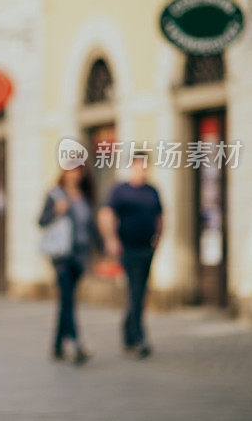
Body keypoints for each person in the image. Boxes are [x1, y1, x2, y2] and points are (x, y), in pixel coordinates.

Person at [98, 151, 163, 359]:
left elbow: (160, 217)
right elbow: (106, 214)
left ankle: (128, 332)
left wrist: (158, 241)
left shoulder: (152, 191)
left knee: (140, 290)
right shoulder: (121, 190)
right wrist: (111, 240)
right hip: (128, 247)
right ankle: (138, 338)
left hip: (147, 247)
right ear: (132, 166)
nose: (142, 169)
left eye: (145, 165)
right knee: (136, 290)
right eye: (138, 165)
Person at [38, 165, 101, 365]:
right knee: (67, 298)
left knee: (67, 300)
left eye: (78, 171)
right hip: (61, 255)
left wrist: (102, 249)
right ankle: (75, 343)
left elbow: (91, 226)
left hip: (80, 255)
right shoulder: (55, 195)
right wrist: (56, 211)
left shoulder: (84, 196)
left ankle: (57, 345)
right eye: (70, 170)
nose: (74, 174)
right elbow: (41, 221)